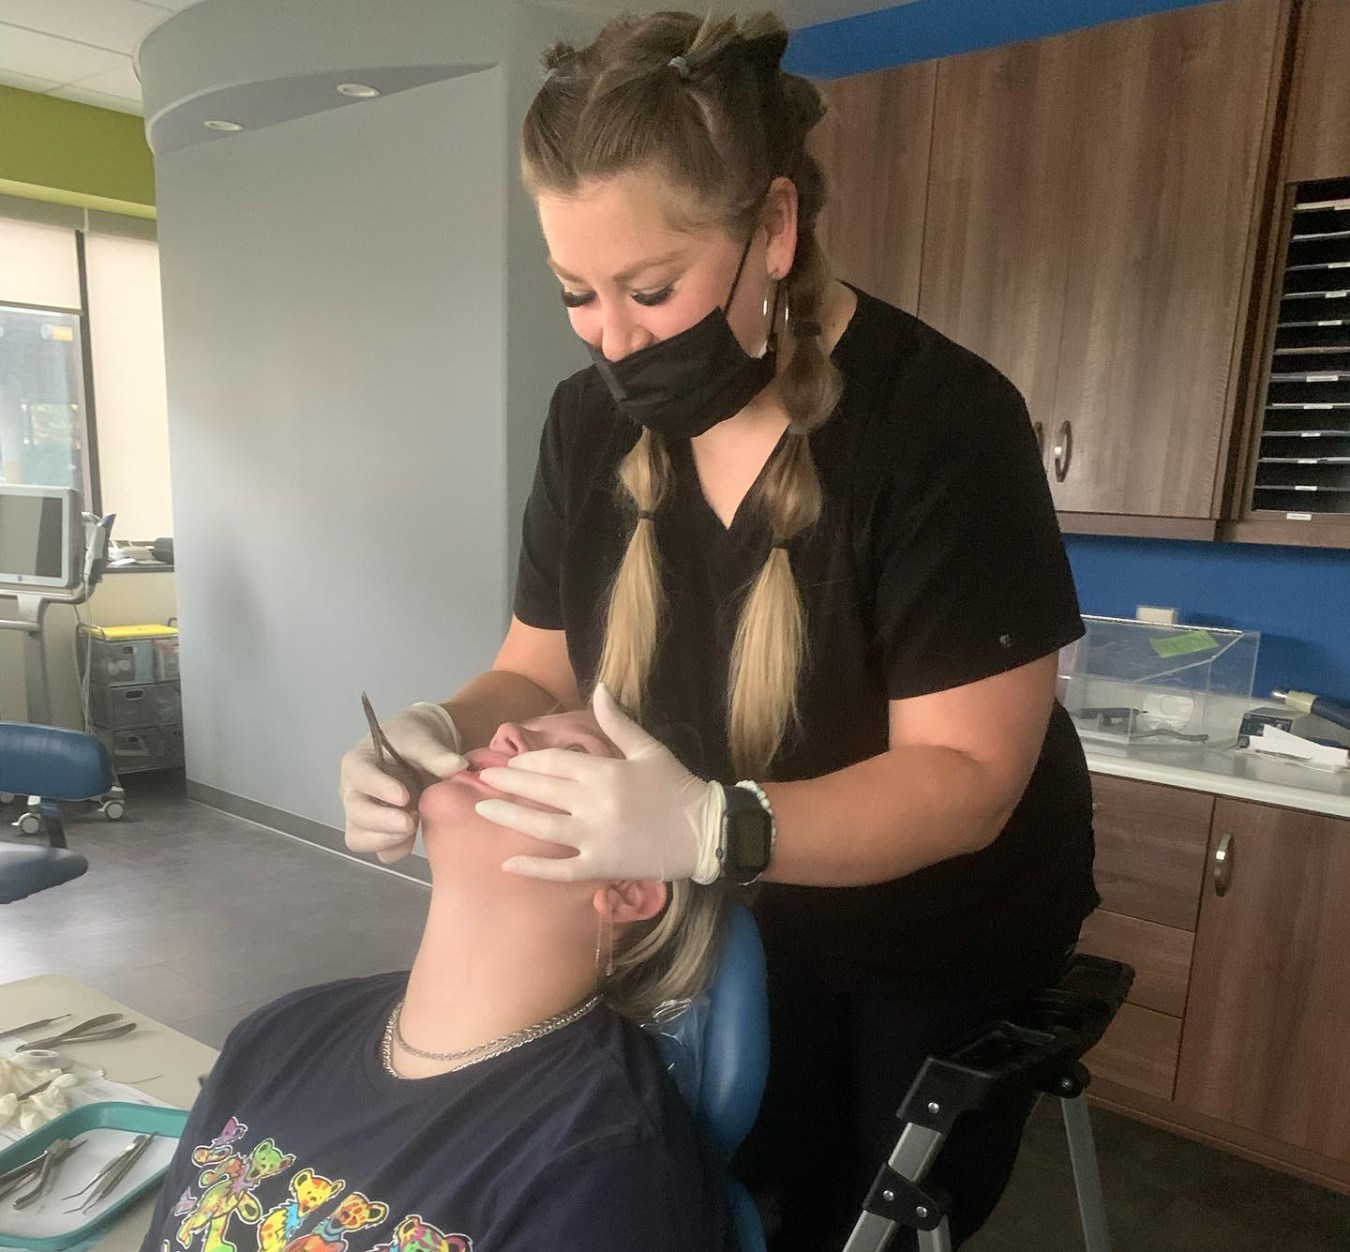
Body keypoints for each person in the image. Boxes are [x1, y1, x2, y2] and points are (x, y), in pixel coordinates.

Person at [340, 11, 1097, 1249]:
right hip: (694, 910)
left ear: (775, 230)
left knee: (834, 1212)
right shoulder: (586, 427)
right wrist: (431, 730)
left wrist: (713, 824)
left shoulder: (941, 425)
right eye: (576, 292)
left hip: (913, 934)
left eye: (652, 287)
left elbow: (963, 780)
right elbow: (534, 667)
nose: (613, 338)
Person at [142, 709, 735, 1252]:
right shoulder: (277, 1034)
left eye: (572, 756)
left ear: (629, 889)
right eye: (527, 724)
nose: (506, 732)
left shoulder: (602, 1164)